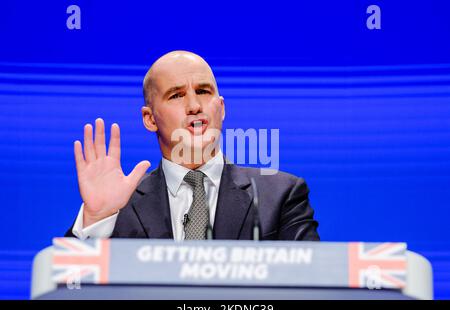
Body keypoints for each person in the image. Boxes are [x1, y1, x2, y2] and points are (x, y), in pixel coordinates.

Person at [65, 50, 319, 241]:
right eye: (176, 95)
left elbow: (309, 286)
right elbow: (68, 291)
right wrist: (97, 218)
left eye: (204, 91)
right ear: (150, 119)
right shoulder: (119, 205)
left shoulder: (282, 194)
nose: (194, 106)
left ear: (221, 108)